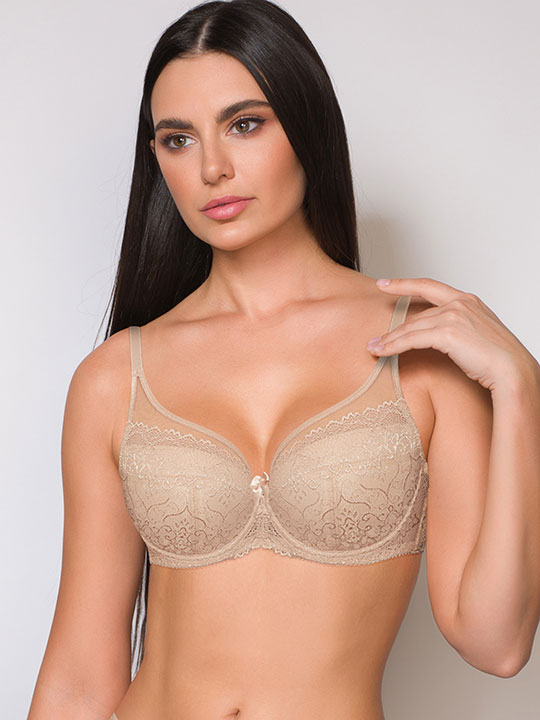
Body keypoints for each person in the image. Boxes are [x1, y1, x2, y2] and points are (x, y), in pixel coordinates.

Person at [27, 1, 540, 718]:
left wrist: (521, 389)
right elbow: (82, 675)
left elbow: (497, 643)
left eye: (245, 124)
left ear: (307, 126)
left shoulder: (424, 352)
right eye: (178, 139)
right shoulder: (114, 378)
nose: (211, 168)